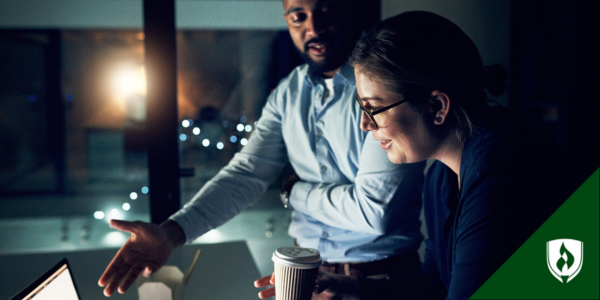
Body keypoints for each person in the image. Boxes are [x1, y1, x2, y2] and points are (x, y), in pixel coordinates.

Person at [98, 0, 426, 297]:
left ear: (351, 9)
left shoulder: (385, 86)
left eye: (326, 10)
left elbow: (375, 212)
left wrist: (293, 191)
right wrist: (171, 233)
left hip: (383, 281)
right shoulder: (289, 92)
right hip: (306, 279)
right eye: (298, 16)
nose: (313, 27)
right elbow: (246, 174)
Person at [307, 11, 576, 300]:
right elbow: (434, 287)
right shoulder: (441, 173)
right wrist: (350, 286)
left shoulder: (502, 167)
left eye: (373, 108)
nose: (365, 124)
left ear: (437, 106)